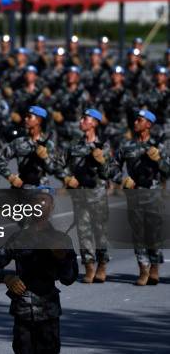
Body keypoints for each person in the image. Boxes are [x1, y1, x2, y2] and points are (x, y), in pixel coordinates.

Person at [0, 187, 78, 354]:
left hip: (48, 313)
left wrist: (62, 258)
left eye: (45, 201)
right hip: (23, 313)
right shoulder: (18, 239)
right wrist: (7, 278)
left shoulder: (62, 239)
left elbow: (69, 278)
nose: (40, 205)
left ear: (52, 207)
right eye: (36, 201)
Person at [111, 110, 169, 286]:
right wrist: (121, 180)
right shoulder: (127, 146)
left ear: (149, 125)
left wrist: (159, 160)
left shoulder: (159, 146)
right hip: (134, 195)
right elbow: (112, 167)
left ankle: (155, 268)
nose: (135, 122)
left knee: (154, 234)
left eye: (140, 120)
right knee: (138, 234)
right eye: (135, 119)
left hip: (153, 194)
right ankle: (143, 268)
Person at [59, 109, 113, 283]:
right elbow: (60, 164)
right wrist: (67, 178)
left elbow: (109, 173)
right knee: (83, 233)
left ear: (95, 123)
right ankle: (89, 266)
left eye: (86, 118)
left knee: (100, 232)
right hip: (80, 196)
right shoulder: (74, 145)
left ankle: (102, 265)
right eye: (81, 118)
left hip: (97, 195)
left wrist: (102, 161)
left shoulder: (103, 145)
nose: (81, 121)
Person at [0, 106, 59, 188]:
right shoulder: (18, 142)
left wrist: (45, 158)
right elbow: (0, 161)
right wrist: (10, 177)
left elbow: (53, 170)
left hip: (41, 187)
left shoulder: (49, 144)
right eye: (26, 116)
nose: (25, 119)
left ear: (39, 120)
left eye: (29, 117)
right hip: (20, 186)